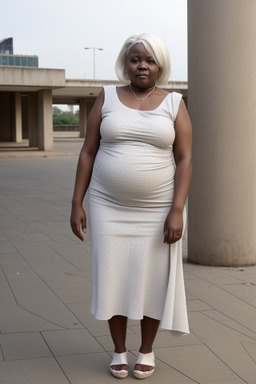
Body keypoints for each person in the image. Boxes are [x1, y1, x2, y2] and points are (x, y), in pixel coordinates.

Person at [70, 33, 192, 380]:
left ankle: (148, 350)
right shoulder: (107, 96)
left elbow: (184, 159)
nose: (142, 65)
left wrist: (177, 210)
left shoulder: (173, 103)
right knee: (113, 276)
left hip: (158, 208)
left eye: (150, 60)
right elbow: (88, 151)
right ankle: (119, 351)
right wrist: (76, 201)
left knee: (154, 279)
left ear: (160, 66)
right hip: (107, 206)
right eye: (136, 58)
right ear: (126, 63)